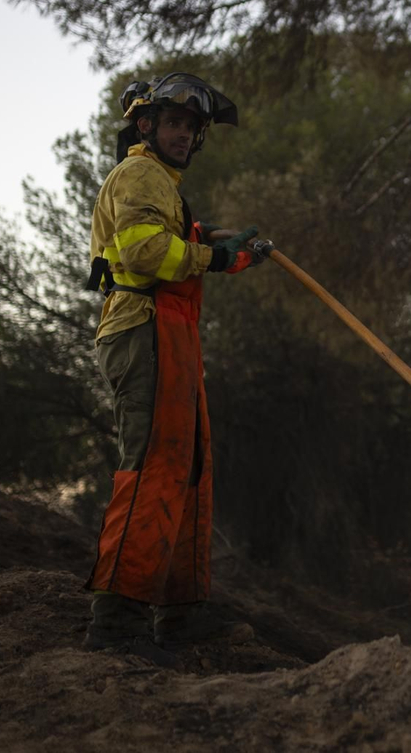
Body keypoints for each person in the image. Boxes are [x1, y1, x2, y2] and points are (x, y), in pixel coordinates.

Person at [80, 72, 269, 663]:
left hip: (171, 332)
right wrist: (215, 255)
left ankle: (179, 614)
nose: (185, 135)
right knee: (154, 469)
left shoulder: (161, 181)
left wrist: (223, 243)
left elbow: (174, 238)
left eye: (192, 128)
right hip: (145, 329)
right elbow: (143, 250)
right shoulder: (138, 173)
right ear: (146, 126)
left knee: (186, 469)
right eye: (175, 124)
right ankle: (117, 619)